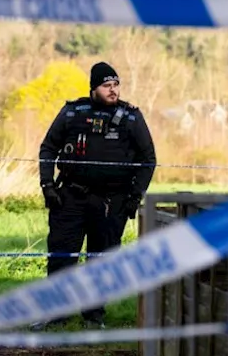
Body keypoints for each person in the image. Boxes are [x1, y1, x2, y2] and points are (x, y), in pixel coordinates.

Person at [34, 61, 157, 330]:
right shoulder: (72, 113)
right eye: (106, 85)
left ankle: (94, 316)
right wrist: (47, 186)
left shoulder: (131, 118)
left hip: (111, 201)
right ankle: (56, 314)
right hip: (70, 197)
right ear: (93, 88)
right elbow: (48, 148)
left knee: (101, 259)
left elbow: (148, 159)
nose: (113, 91)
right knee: (61, 255)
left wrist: (135, 196)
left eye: (115, 85)